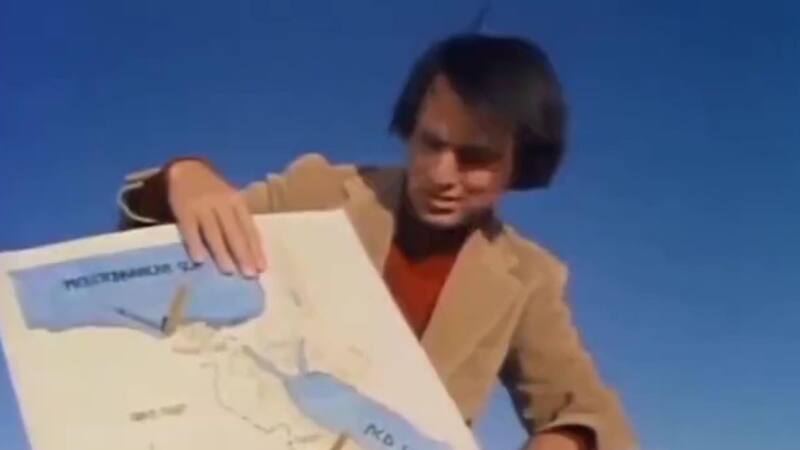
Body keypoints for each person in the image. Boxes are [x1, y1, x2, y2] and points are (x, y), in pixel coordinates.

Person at [117, 33, 638, 450]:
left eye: (475, 158)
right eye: (431, 143)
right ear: (410, 128)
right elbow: (151, 249)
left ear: (519, 164)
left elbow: (587, 411)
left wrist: (565, 440)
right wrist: (184, 177)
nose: (442, 173)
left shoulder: (529, 277)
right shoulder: (321, 191)